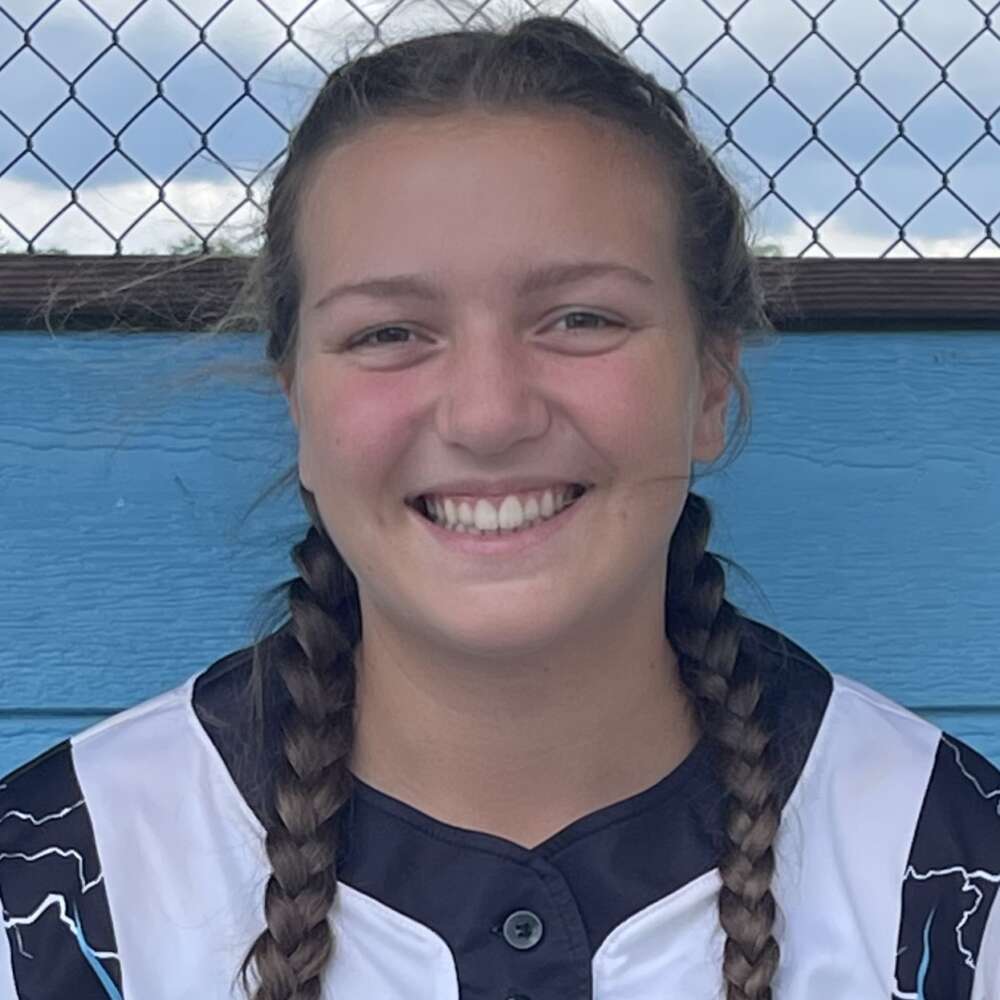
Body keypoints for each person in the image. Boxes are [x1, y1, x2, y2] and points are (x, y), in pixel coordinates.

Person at [1, 7, 998, 1000]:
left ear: (708, 385)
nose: (487, 415)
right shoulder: (59, 890)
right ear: (297, 400)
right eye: (389, 332)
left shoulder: (950, 869)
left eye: (580, 318)